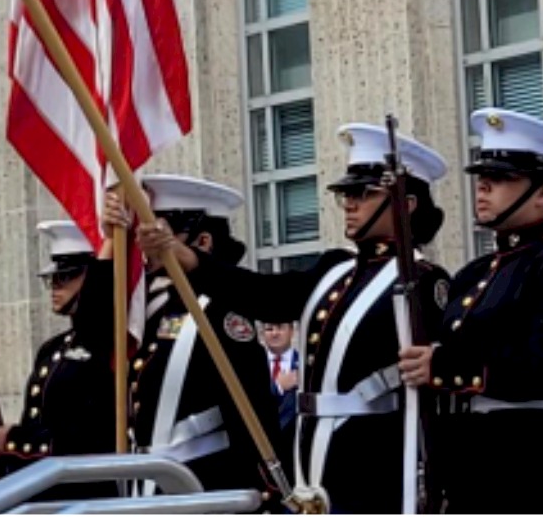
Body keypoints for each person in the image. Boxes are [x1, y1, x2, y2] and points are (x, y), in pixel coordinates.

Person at [175, 127, 451, 514]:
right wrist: (193, 263)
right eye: (347, 195)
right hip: (310, 450)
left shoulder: (422, 280)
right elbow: (267, 296)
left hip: (370, 457)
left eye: (364, 194)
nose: (350, 204)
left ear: (406, 205)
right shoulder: (335, 269)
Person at [399, 108, 543, 513]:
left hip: (539, 464)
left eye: (502, 179)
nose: (484, 188)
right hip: (475, 465)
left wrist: (443, 366)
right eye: (482, 178)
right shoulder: (474, 273)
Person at [109, 175, 277, 497]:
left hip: (202, 482)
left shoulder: (219, 310)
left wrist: (263, 490)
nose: (146, 245)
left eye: (160, 235)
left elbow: (249, 407)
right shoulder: (154, 307)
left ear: (202, 242)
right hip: (150, 482)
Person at [0, 220, 116, 502]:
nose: (55, 286)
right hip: (47, 487)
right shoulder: (52, 348)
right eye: (53, 278)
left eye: (66, 277)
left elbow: (91, 436)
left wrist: (14, 440)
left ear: (93, 277)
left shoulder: (108, 345)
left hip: (87, 492)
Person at [257, 321, 298, 452]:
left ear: (291, 331)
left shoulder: (305, 364)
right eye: (269, 329)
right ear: (263, 334)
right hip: (263, 442)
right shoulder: (253, 366)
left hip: (296, 441)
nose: (274, 333)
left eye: (280, 328)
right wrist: (279, 386)